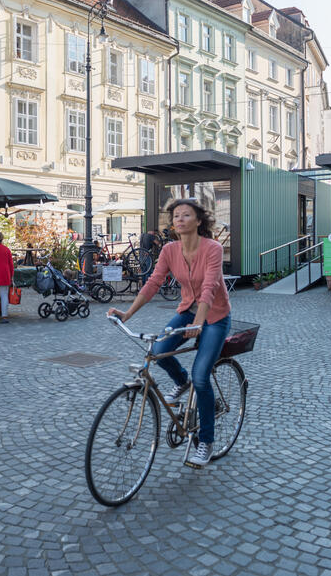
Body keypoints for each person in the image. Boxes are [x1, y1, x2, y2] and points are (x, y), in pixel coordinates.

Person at [107, 198, 230, 469]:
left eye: (186, 215)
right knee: (159, 351)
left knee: (201, 377)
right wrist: (127, 314)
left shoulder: (213, 248)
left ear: (199, 221)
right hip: (187, 310)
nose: (180, 219)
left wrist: (199, 322)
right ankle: (180, 380)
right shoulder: (169, 250)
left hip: (215, 316)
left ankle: (206, 441)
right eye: (176, 216)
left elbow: (210, 286)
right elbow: (153, 283)